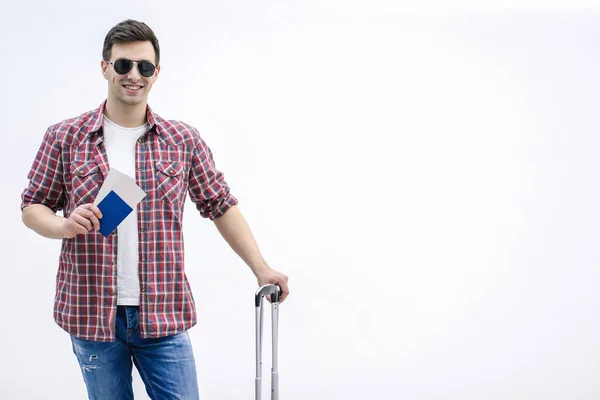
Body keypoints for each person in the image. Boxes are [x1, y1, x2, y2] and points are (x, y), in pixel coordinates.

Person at [20, 19, 289, 400]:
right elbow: (32, 208)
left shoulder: (182, 140)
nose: (134, 75)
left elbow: (220, 205)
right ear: (105, 67)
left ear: (156, 73)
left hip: (162, 313)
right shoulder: (65, 136)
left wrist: (261, 268)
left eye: (145, 67)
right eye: (124, 65)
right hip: (90, 312)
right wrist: (63, 225)